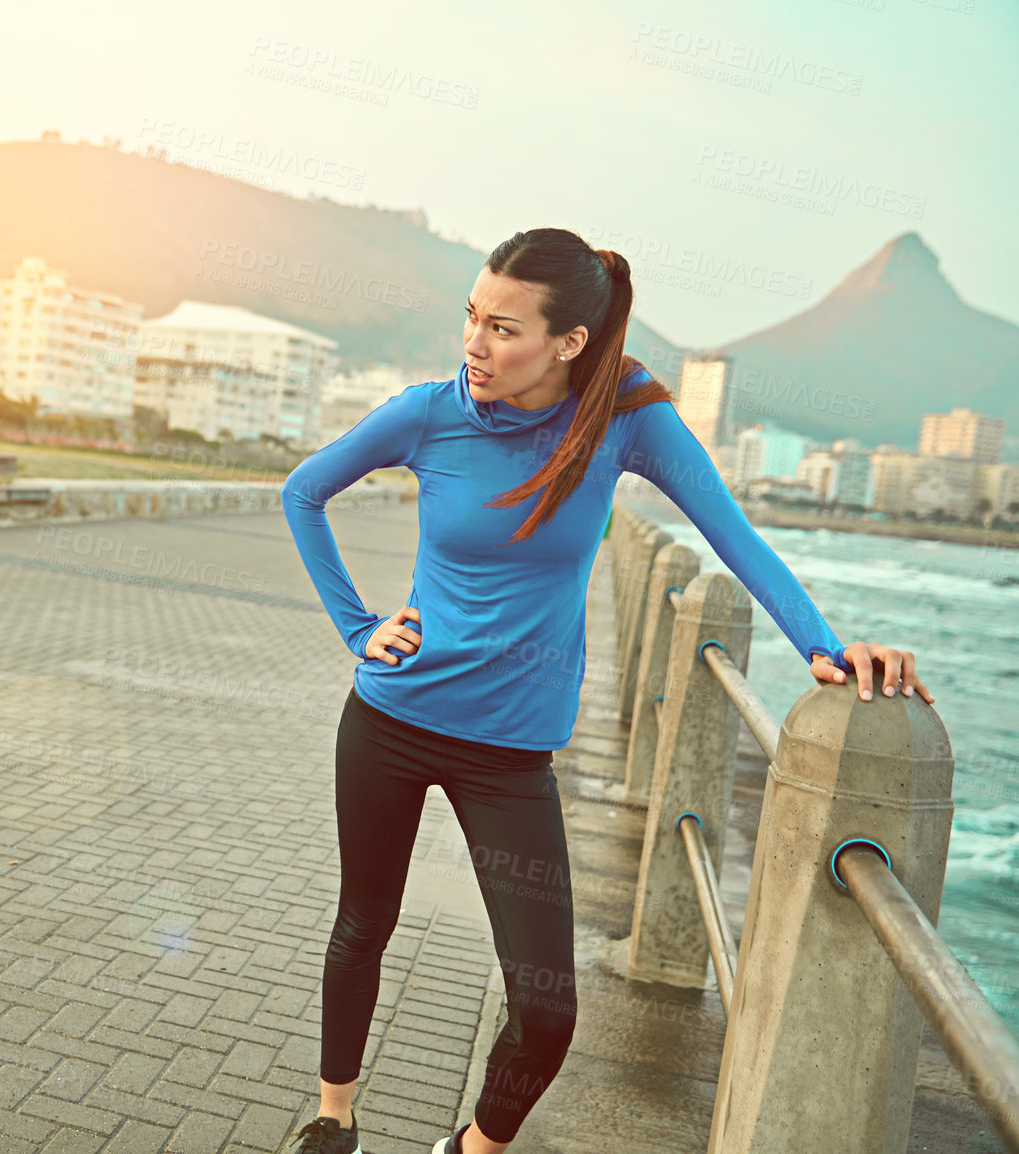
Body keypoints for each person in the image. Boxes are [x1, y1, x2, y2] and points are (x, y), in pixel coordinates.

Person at [275, 227, 933, 1154]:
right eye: (471, 316)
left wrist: (825, 648)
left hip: (510, 754)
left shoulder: (624, 416)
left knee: (546, 1009)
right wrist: (358, 627)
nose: (474, 343)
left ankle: (472, 1147)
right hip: (389, 719)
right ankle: (333, 1117)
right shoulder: (427, 413)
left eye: (503, 328)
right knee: (364, 926)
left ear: (568, 342)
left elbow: (731, 534)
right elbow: (303, 492)